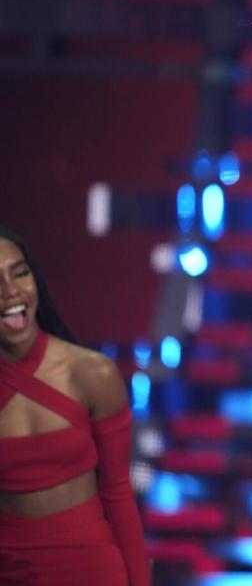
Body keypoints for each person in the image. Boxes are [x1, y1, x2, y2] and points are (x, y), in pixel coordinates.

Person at [0, 228, 149, 585]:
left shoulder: (92, 374)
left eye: (19, 273)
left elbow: (118, 493)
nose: (10, 292)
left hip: (93, 569)